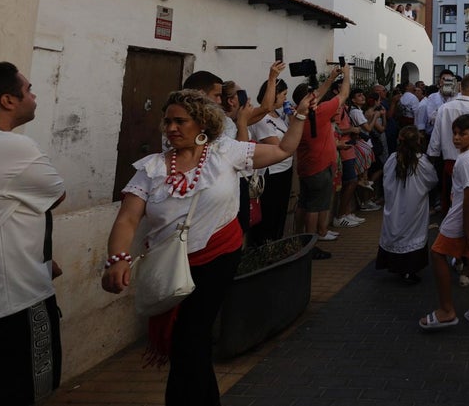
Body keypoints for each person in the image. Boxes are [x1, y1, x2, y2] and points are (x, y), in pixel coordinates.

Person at [101, 88, 312, 405]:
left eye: (180, 121)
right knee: (185, 345)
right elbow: (127, 219)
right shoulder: (151, 169)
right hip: (168, 265)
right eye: (168, 121)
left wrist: (298, 116)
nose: (171, 128)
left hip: (216, 260)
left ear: (202, 124)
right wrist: (117, 258)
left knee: (189, 339)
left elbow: (283, 150)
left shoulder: (225, 152)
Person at [0, 62, 66, 406]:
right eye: (28, 89)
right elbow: (56, 195)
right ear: (7, 101)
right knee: (18, 393)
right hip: (10, 299)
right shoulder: (15, 148)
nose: (34, 95)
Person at [419, 114, 469, 331]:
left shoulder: (464, 160)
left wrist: (466, 227)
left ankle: (446, 310)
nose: (456, 138)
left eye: (462, 134)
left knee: (437, 252)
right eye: (454, 133)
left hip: (465, 214)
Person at [292, 66, 347, 256]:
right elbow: (344, 95)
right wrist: (346, 75)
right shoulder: (321, 112)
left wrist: (331, 77)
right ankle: (310, 245)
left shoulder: (297, 115)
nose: (316, 95)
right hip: (320, 168)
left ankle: (298, 238)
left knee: (304, 204)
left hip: (306, 167)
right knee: (315, 207)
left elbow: (318, 93)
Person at [377, 126, 438, 283]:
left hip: (396, 203)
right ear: (418, 141)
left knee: (396, 228)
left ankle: (397, 267)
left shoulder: (392, 158)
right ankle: (409, 270)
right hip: (414, 204)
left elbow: (386, 179)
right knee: (412, 233)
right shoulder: (421, 161)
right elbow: (432, 180)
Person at [427, 73, 469, 214]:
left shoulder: (444, 109)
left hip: (451, 166)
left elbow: (435, 142)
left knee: (453, 211)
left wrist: (432, 161)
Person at [246, 75, 293, 246]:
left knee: (280, 210)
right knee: (269, 212)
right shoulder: (261, 118)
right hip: (270, 173)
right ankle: (263, 248)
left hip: (284, 169)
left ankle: (275, 243)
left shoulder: (278, 116)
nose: (285, 99)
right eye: (283, 95)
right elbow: (277, 146)